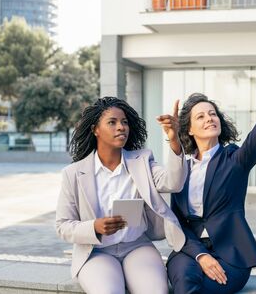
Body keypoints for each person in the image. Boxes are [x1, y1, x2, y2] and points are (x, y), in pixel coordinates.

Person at [167, 58, 256, 293]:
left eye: (212, 114)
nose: (209, 118)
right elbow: (177, 221)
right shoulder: (181, 167)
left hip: (231, 253)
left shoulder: (235, 160)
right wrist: (201, 255)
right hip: (190, 250)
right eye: (200, 116)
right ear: (189, 130)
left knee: (203, 287)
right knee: (183, 277)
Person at [55, 96, 187, 294]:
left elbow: (174, 183)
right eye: (112, 122)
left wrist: (175, 140)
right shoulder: (74, 173)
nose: (121, 127)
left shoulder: (142, 160)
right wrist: (94, 226)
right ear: (95, 130)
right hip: (95, 252)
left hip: (137, 247)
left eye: (124, 122)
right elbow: (62, 226)